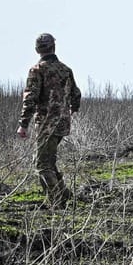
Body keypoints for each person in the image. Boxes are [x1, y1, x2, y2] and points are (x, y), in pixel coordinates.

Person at [17, 32, 81, 204]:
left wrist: (23, 124)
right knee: (49, 161)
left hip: (46, 123)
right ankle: (66, 195)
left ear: (37, 50)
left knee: (42, 165)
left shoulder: (37, 70)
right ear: (54, 47)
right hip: (62, 123)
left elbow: (30, 98)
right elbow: (76, 94)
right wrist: (71, 110)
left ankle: (57, 200)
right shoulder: (65, 70)